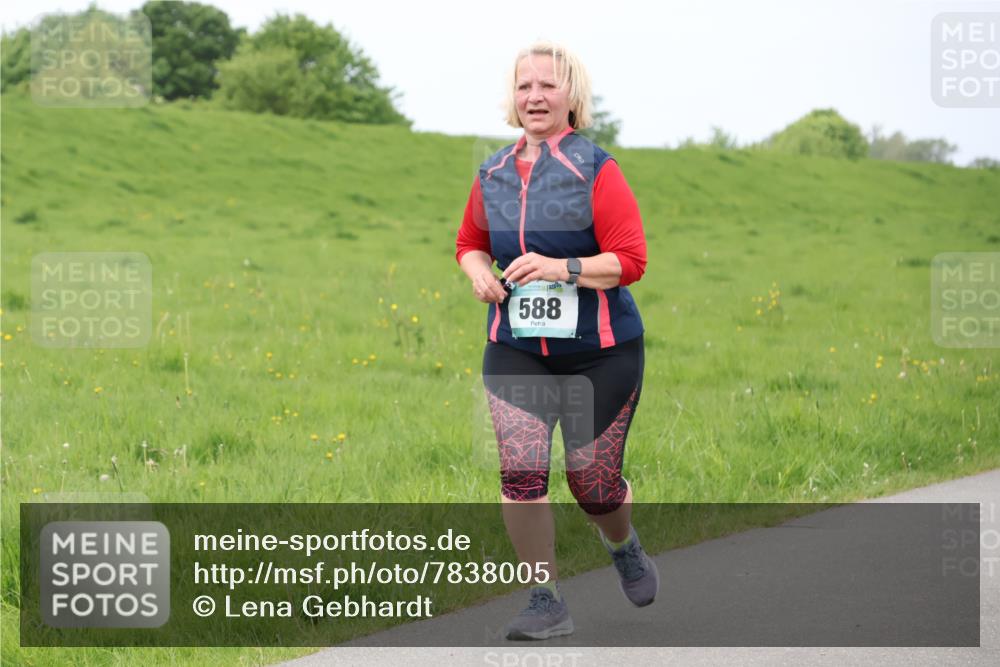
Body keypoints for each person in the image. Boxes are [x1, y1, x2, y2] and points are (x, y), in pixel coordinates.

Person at [454, 41, 658, 640]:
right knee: (520, 472)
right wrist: (478, 275)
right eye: (524, 86)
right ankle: (545, 600)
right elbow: (469, 242)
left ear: (572, 96)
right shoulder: (492, 171)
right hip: (516, 345)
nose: (535, 96)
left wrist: (559, 268)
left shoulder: (596, 168)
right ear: (512, 99)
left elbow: (631, 260)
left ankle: (622, 545)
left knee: (592, 483)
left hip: (602, 351)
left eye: (547, 85)